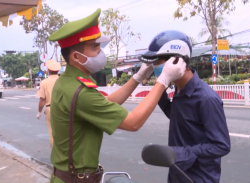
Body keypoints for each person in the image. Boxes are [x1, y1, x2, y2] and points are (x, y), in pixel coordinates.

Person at [47, 8, 186, 183]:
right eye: (95, 47)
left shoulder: (67, 82)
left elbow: (105, 103)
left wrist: (137, 77)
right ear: (77, 56)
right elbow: (133, 122)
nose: (101, 52)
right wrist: (163, 81)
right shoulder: (81, 92)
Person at [139, 30, 231, 183]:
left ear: (176, 61)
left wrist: (179, 153)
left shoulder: (206, 98)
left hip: (198, 177)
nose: (154, 66)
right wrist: (159, 87)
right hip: (177, 174)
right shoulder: (179, 88)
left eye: (157, 62)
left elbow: (221, 146)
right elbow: (177, 116)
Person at [36, 59, 61, 148]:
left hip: (51, 109)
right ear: (58, 70)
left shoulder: (44, 82)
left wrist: (39, 112)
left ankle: (57, 156)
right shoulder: (63, 80)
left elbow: (42, 99)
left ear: (48, 70)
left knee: (52, 133)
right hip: (65, 109)